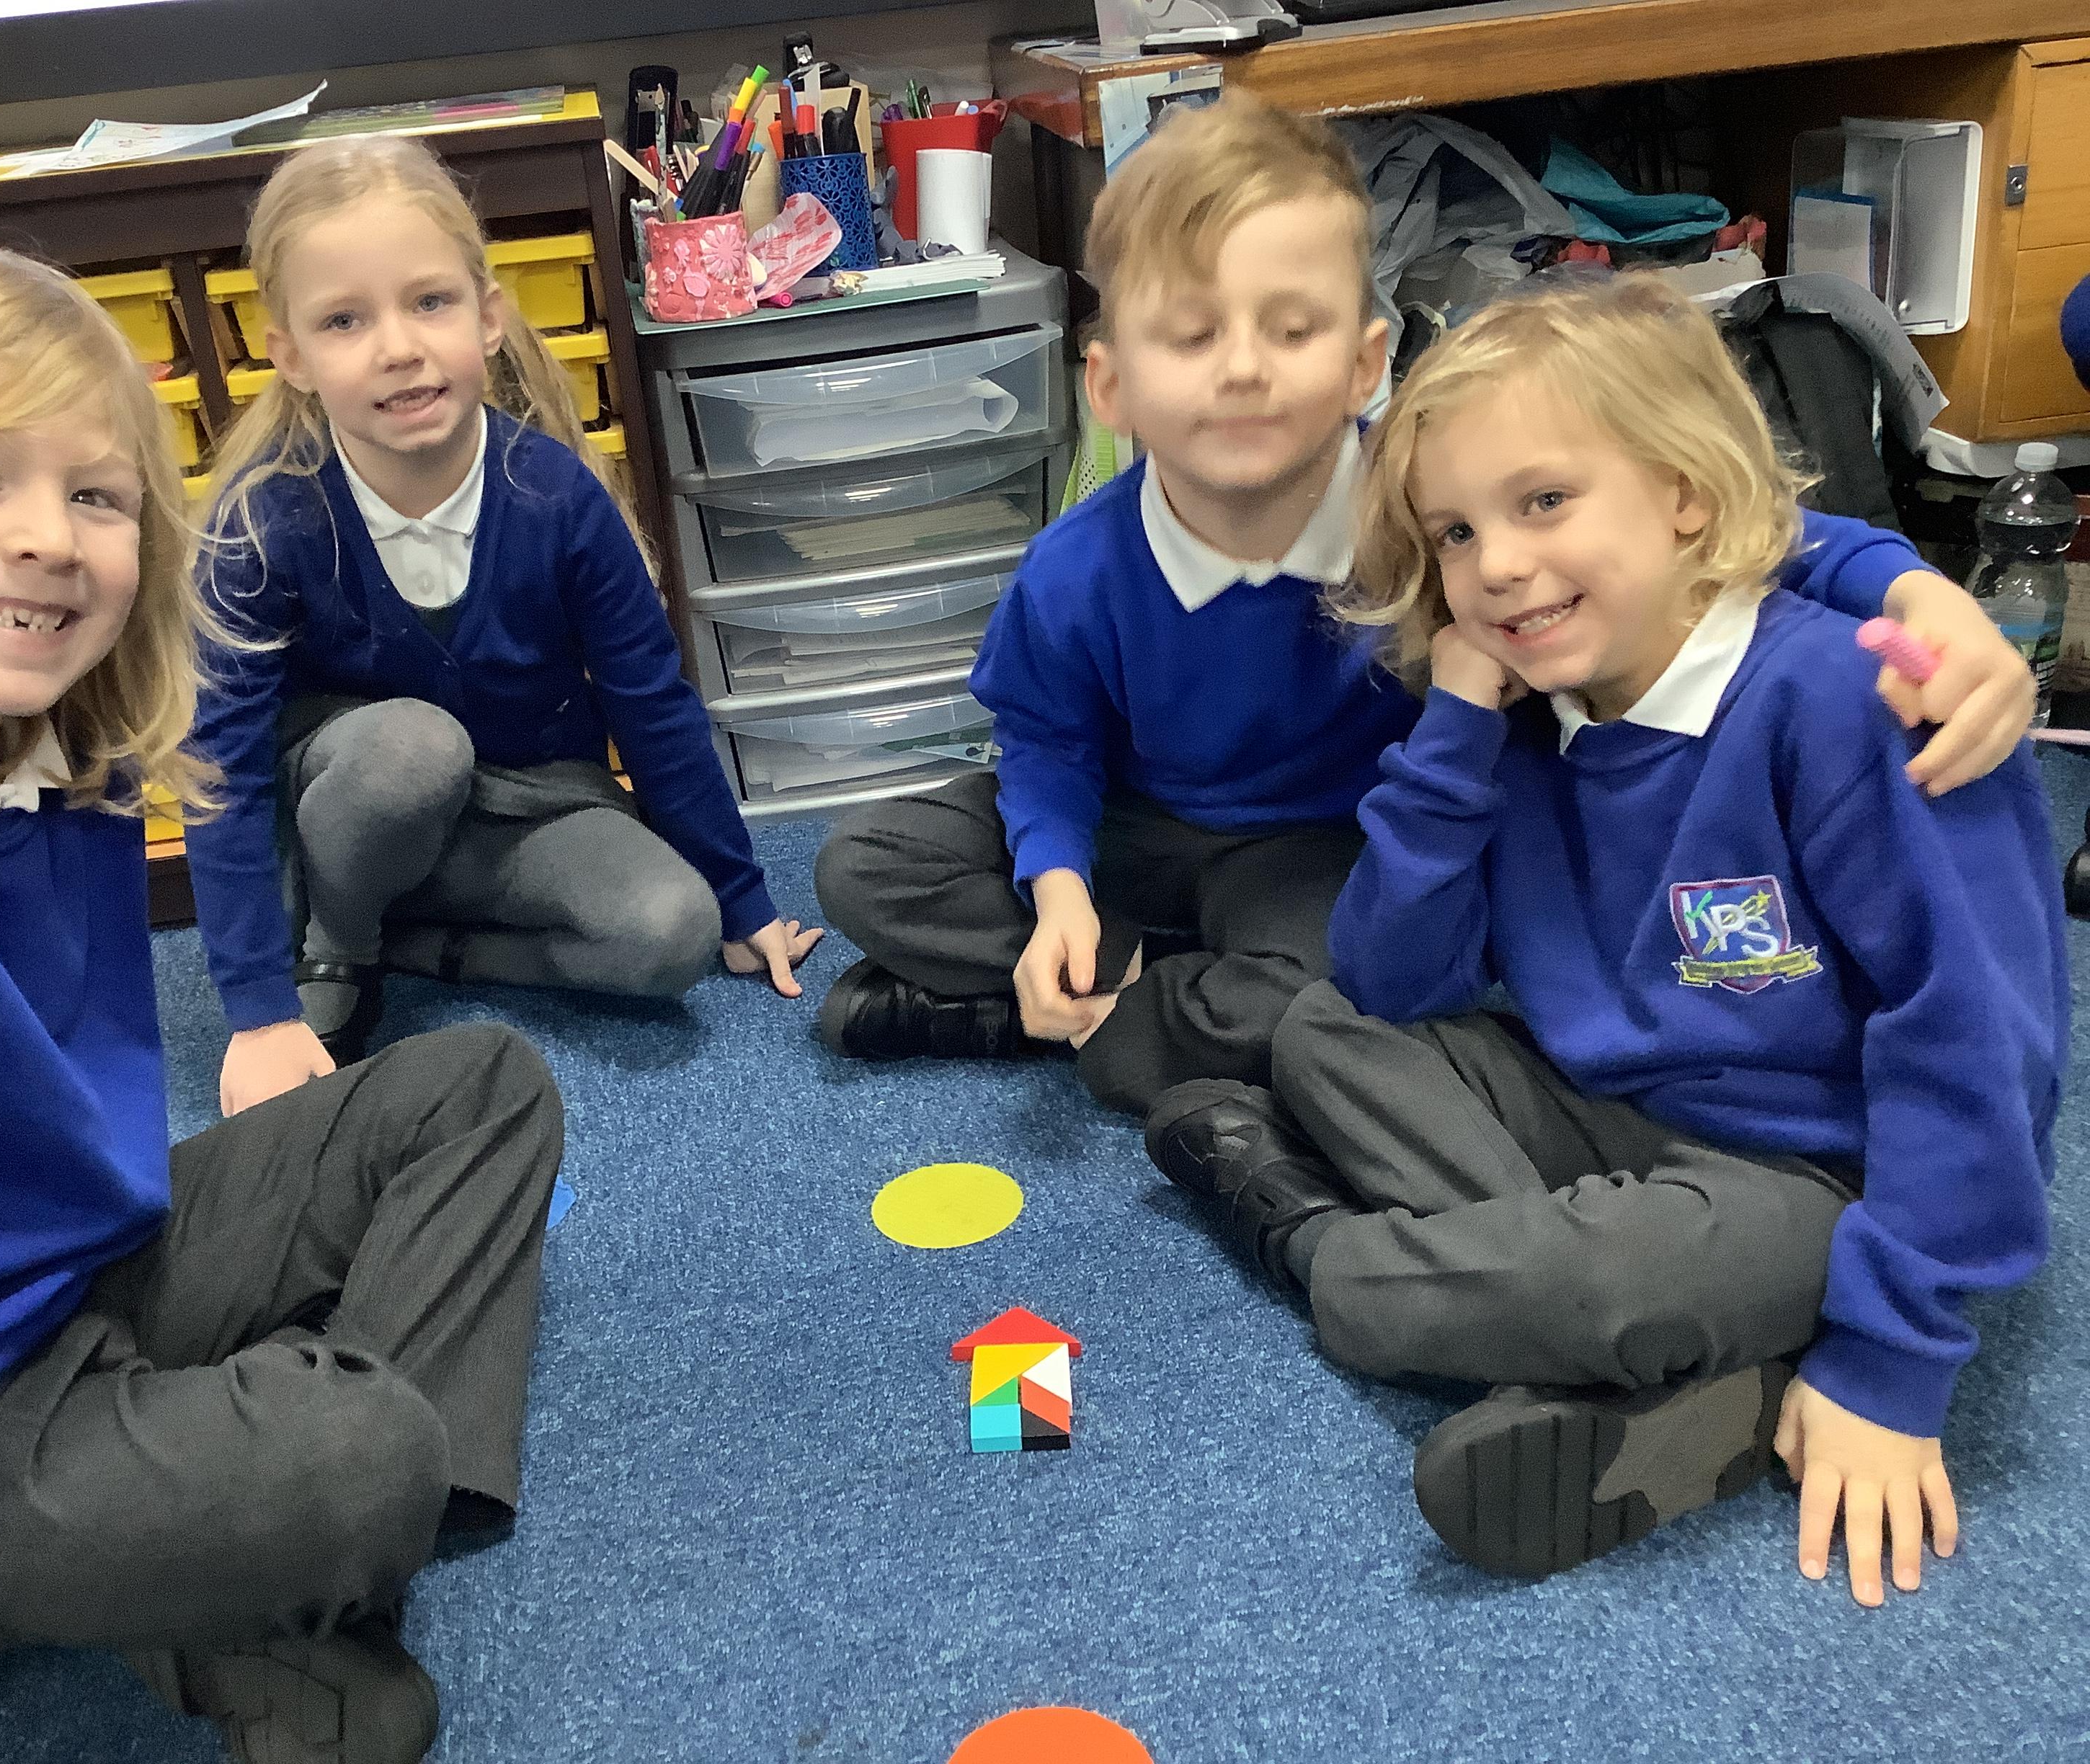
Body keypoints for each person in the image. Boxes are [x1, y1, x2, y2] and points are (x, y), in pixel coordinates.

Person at [813, 92, 2038, 1117]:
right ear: (1112, 385)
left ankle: (1080, 1011)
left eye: (1291, 329)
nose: (1242, 367)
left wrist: (1913, 586)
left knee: (1343, 994)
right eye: (1190, 336)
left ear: (1365, 363)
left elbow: (1741, 526)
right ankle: (1120, 988)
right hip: (1135, 825)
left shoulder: (1440, 508)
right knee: (865, 868)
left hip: (1315, 849)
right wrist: (1059, 889)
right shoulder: (1074, 569)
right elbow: (1046, 743)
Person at [0, 242, 562, 1764]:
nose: (47, 538)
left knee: (481, 1087)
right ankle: (304, 1542)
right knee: (355, 1450)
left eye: (97, 495)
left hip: (76, 1269)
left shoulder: (69, 762)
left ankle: (297, 1566)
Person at [1145, 274, 2067, 1602]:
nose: (1496, 565)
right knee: (1328, 1029)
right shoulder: (1532, 703)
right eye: (1456, 532)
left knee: (1440, 1294)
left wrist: (1892, 1362)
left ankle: (1321, 1243)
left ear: (1682, 491)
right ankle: (1660, 1353)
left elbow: (1978, 1044)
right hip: (1610, 1105)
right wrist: (1459, 720)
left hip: (1824, 1177)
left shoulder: (1851, 698)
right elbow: (1392, 980)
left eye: (1543, 501)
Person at [187, 136, 819, 1115]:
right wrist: (260, 1010)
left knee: (672, 932)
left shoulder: (557, 499)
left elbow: (651, 704)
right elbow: (220, 772)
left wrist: (743, 900)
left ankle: (417, 947)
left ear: (487, 319)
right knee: (413, 751)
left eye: (429, 302)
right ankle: (342, 940)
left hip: (527, 808)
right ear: (292, 358)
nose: (398, 347)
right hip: (360, 805)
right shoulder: (265, 522)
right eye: (345, 320)